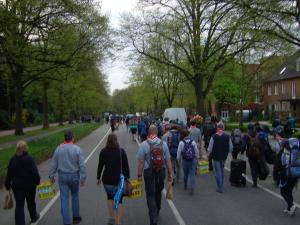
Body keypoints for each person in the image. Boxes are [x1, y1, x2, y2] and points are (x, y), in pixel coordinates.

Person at [137, 125, 173, 225]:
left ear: (149, 132)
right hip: (161, 171)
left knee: (150, 194)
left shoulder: (144, 144)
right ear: (157, 132)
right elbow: (168, 160)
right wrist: (170, 172)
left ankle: (153, 218)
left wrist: (139, 175)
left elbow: (140, 162)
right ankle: (157, 210)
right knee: (158, 192)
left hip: (149, 172)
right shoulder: (163, 144)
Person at [49, 130, 87, 225]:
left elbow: (54, 164)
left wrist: (51, 176)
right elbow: (82, 165)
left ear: (64, 138)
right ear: (72, 138)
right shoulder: (77, 149)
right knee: (75, 196)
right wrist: (83, 178)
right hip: (74, 175)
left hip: (62, 176)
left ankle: (66, 222)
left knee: (64, 198)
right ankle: (76, 217)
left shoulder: (58, 149)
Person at [97, 133, 130, 225]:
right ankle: (118, 221)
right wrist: (127, 178)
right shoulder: (121, 151)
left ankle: (111, 218)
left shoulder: (103, 151)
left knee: (110, 197)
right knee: (119, 201)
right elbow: (126, 166)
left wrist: (98, 177)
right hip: (118, 181)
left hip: (106, 181)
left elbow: (100, 166)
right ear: (116, 140)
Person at [5, 141, 40, 225]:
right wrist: (37, 181)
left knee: (19, 205)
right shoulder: (29, 159)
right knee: (31, 202)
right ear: (24, 148)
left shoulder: (12, 160)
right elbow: (35, 172)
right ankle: (33, 217)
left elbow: (9, 173)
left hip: (17, 187)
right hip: (29, 185)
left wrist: (7, 185)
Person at [274, 129, 299, 216]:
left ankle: (291, 206)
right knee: (289, 190)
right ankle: (289, 208)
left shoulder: (283, 153)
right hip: (297, 173)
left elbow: (279, 165)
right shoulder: (296, 152)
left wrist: (276, 176)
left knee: (283, 191)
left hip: (287, 173)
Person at [208, 122, 233, 193]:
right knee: (221, 171)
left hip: (215, 156)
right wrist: (227, 151)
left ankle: (220, 187)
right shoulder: (227, 136)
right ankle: (221, 185)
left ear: (217, 128)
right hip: (224, 156)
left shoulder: (213, 136)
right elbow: (231, 148)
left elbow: (210, 148)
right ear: (223, 128)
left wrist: (208, 155)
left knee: (218, 172)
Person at [177, 129, 199, 195]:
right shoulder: (193, 142)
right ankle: (192, 187)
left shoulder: (181, 143)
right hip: (193, 160)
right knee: (192, 174)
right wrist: (197, 159)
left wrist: (178, 160)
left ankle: (185, 185)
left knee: (185, 174)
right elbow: (196, 152)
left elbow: (178, 153)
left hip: (185, 160)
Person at [242, 124, 262, 188]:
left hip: (250, 154)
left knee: (252, 167)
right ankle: (257, 176)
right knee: (256, 166)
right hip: (258, 153)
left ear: (248, 128)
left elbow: (243, 145)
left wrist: (242, 151)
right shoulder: (257, 134)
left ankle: (254, 182)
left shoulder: (246, 135)